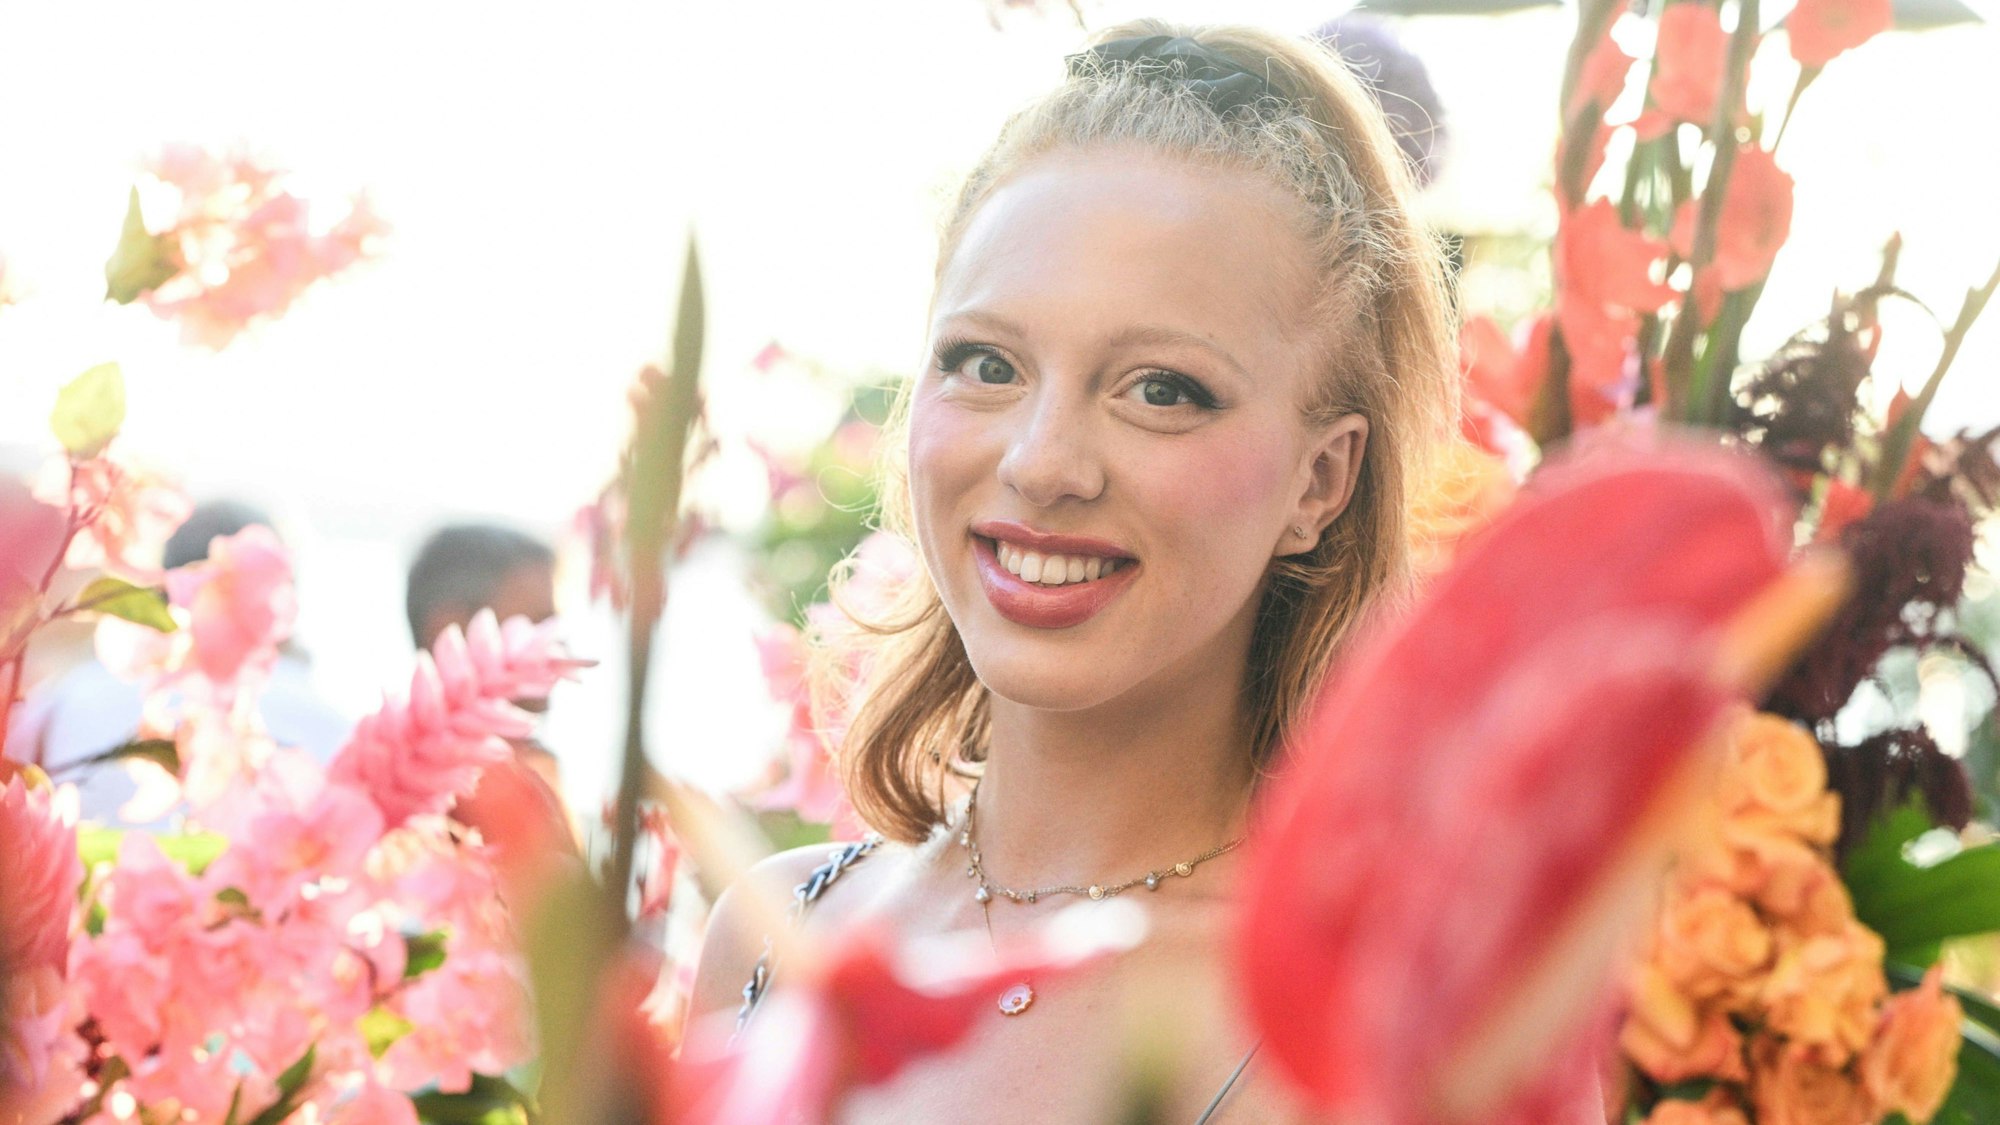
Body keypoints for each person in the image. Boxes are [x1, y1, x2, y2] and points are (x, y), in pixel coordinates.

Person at [689, 21, 1549, 1123]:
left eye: (1160, 390)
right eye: (986, 365)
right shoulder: (774, 944)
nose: (1041, 462)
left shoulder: (1396, 1026)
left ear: (1320, 483)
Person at [405, 522, 563, 790]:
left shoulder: (535, 771)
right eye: (537, 625)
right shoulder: (444, 792)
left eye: (555, 631)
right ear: (449, 631)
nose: (558, 653)